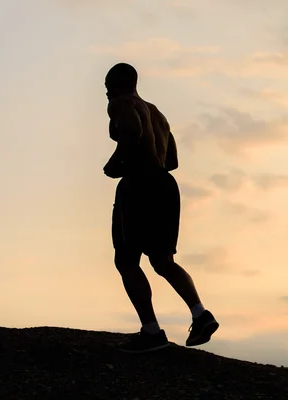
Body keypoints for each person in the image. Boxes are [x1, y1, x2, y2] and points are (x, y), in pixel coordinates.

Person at [103, 62, 219, 353]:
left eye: (108, 86)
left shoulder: (121, 103)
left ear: (120, 84)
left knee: (127, 261)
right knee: (162, 260)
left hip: (139, 185)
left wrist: (117, 162)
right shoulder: (158, 114)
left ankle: (151, 332)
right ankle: (200, 313)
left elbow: (130, 131)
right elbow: (172, 161)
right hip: (166, 185)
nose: (105, 93)